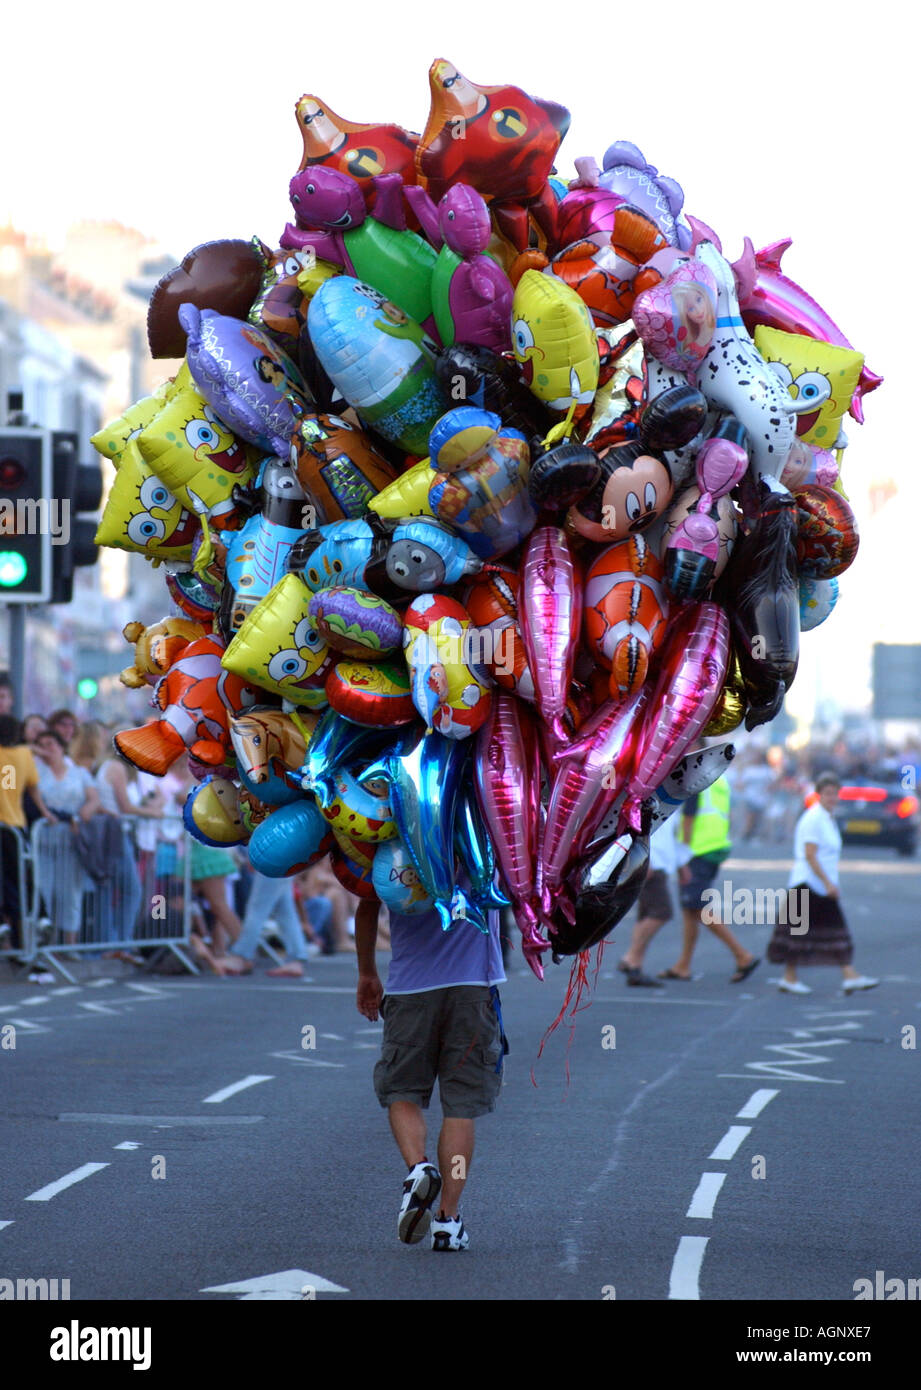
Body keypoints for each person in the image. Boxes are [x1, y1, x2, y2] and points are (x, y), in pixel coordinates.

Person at [356, 890, 507, 1252]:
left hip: (410, 987)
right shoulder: (489, 835)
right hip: (473, 989)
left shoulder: (390, 836)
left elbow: (366, 907)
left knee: (402, 1090)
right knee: (460, 1107)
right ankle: (447, 1219)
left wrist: (366, 973)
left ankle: (418, 1168)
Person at [768, 771, 878, 995]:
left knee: (817, 933)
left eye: (836, 794)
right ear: (818, 794)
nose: (833, 798)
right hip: (808, 884)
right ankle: (847, 975)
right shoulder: (814, 818)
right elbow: (810, 855)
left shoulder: (828, 818)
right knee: (819, 931)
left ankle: (841, 975)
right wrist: (828, 883)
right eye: (828, 794)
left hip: (818, 885)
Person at [657, 771, 760, 984]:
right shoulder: (719, 777)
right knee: (690, 910)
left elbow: (689, 818)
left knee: (697, 907)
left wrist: (682, 856)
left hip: (697, 849)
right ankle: (683, 965)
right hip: (715, 846)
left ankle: (742, 956)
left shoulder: (695, 776)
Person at [33, 728, 100, 948]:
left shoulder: (79, 773)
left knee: (70, 893)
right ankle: (43, 943)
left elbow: (93, 798)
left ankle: (69, 945)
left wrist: (85, 813)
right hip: (43, 841)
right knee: (43, 889)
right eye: (41, 744)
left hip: (71, 841)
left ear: (62, 747)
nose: (47, 749)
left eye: (51, 743)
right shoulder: (36, 772)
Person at [0, 715, 56, 953]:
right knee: (23, 878)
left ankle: (5, 926)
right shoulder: (24, 754)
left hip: (3, 826)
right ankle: (41, 917)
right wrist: (46, 812)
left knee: (5, 882)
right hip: (17, 825)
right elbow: (33, 788)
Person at [222, 858, 321, 977]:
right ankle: (296, 957)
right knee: (285, 910)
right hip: (286, 855)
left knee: (258, 909)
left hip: (273, 855)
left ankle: (241, 955)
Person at [617, 817, 679, 987]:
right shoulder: (654, 794)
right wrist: (646, 860)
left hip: (656, 862)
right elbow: (639, 827)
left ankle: (635, 966)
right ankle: (630, 958)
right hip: (651, 863)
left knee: (645, 915)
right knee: (661, 913)